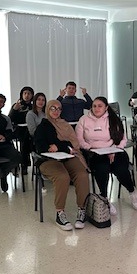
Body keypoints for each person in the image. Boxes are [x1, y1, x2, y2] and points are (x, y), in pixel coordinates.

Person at [76, 96, 137, 211]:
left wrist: (113, 150)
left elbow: (122, 139)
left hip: (114, 150)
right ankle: (105, 198)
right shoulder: (84, 119)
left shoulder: (113, 119)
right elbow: (79, 140)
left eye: (100, 106)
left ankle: (132, 190)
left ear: (106, 107)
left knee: (121, 169)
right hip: (94, 153)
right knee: (102, 168)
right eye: (94, 106)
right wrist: (90, 148)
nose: (96, 108)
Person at [34, 99, 90, 231]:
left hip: (67, 156)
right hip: (47, 160)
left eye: (59, 109)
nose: (56, 111)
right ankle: (60, 213)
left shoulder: (65, 125)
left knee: (82, 174)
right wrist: (61, 146)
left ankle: (82, 210)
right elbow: (41, 147)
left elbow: (73, 144)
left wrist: (59, 146)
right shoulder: (43, 126)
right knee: (62, 176)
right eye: (53, 108)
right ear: (47, 109)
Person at [8, 86, 34, 174]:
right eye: (25, 93)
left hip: (30, 129)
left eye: (29, 93)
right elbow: (9, 119)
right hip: (19, 129)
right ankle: (24, 164)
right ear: (21, 95)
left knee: (29, 138)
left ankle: (27, 162)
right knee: (25, 138)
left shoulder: (33, 106)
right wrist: (14, 110)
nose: (27, 95)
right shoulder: (17, 105)